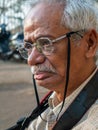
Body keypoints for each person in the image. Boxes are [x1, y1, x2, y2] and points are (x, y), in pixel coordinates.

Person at [18, 0, 98, 129]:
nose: (31, 60)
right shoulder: (54, 100)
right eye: (28, 46)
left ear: (89, 43)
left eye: (46, 43)